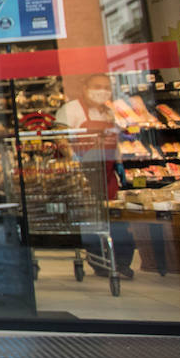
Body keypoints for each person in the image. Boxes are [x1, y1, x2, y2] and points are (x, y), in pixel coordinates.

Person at [54, 74, 134, 278]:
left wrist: (118, 163)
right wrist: (74, 160)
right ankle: (100, 262)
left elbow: (114, 140)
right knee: (92, 219)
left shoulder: (108, 112)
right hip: (83, 173)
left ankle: (122, 261)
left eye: (107, 87)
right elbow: (60, 138)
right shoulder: (70, 110)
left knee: (116, 218)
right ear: (85, 87)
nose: (103, 91)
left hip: (107, 173)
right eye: (97, 86)